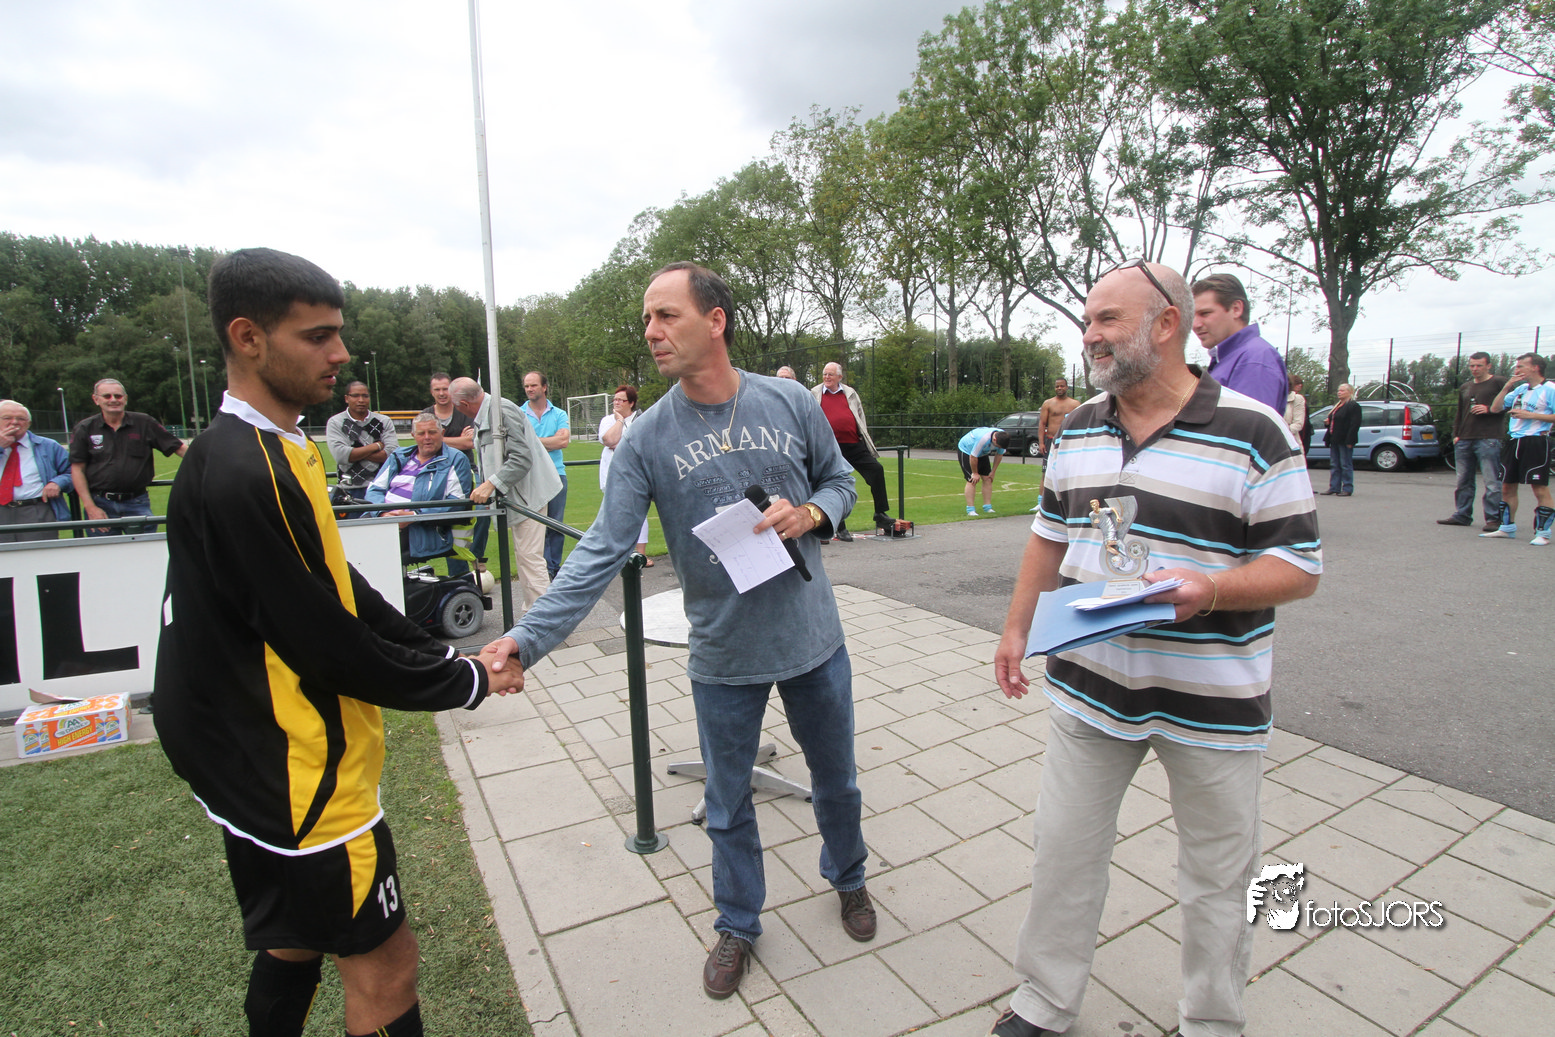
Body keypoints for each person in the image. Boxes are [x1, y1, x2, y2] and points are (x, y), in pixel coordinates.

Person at [480, 262, 874, 1001]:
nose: (651, 332)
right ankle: (738, 923)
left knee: (837, 781)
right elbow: (600, 549)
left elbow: (842, 482)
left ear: (715, 320)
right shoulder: (647, 437)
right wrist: (526, 638)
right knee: (726, 804)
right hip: (722, 652)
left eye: (666, 315)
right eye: (646, 320)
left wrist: (811, 513)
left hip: (812, 639)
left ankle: (848, 877)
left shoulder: (789, 400)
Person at [153, 248, 521, 1037]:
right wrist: (465, 681)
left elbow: (338, 585)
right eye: (317, 335)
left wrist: (435, 653)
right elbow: (328, 645)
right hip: (293, 771)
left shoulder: (271, 444)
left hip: (240, 757)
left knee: (293, 935)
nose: (341, 353)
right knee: (387, 967)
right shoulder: (245, 471)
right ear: (248, 337)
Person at [988, 259, 1321, 1037]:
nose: (1090, 335)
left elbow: (1298, 567)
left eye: (1106, 319)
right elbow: (1048, 534)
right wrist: (1014, 627)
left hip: (1212, 703)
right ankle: (1043, 1001)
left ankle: (1211, 1020)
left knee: (1217, 875)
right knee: (1062, 853)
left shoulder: (1254, 430)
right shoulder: (1078, 425)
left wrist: (1210, 588)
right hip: (1088, 686)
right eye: (1086, 321)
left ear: (1166, 324)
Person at [449, 377, 560, 612]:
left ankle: (544, 616)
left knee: (530, 557)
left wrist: (490, 484)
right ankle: (535, 611)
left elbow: (521, 458)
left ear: (464, 404)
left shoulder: (501, 411)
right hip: (520, 496)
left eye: (456, 406)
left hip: (529, 496)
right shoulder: (489, 412)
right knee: (525, 556)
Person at [68, 378, 187, 535]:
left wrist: (209, 464)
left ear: (125, 398)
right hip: (100, 504)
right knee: (105, 550)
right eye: (107, 396)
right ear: (96, 399)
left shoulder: (144, 423)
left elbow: (179, 448)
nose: (113, 400)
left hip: (137, 502)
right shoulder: (85, 428)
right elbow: (77, 469)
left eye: (118, 396)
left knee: (144, 548)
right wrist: (90, 506)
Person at [366, 411, 474, 571]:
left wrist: (413, 515)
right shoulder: (399, 456)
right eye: (421, 433)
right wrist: (382, 513)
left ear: (442, 433)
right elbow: (374, 490)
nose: (427, 437)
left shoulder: (455, 459)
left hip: (421, 529)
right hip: (383, 520)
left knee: (370, 555)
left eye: (432, 432)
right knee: (349, 544)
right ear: (413, 435)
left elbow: (456, 503)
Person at [812, 362, 893, 541]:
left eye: (830, 374)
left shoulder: (850, 393)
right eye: (825, 374)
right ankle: (839, 526)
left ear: (840, 377)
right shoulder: (814, 393)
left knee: (876, 470)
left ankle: (880, 513)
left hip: (854, 444)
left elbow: (860, 416)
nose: (826, 377)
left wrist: (863, 437)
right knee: (832, 483)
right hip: (830, 447)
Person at [1481, 352, 1555, 545]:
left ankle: (1543, 533)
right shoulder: (1521, 389)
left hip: (1536, 441)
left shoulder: (1550, 389)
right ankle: (1506, 528)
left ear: (1535, 367)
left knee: (1539, 488)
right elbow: (1496, 408)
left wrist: (1531, 416)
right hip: (1514, 441)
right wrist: (1506, 387)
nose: (1517, 370)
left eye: (1521, 366)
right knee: (1507, 486)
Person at [1192, 273, 1289, 414]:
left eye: (1205, 313)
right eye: (1192, 316)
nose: (1195, 324)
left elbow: (1248, 425)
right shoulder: (1232, 358)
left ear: (1236, 309)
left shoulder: (1254, 359)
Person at [1439, 352, 1507, 530]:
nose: (1475, 369)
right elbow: (1460, 412)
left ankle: (1493, 519)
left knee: (1491, 481)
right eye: (1472, 366)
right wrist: (1456, 434)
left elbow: (1510, 404)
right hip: (1465, 438)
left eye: (1479, 365)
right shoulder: (1466, 387)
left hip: (1489, 438)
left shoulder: (1498, 382)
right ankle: (1462, 514)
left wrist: (1489, 409)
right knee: (1463, 481)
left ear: (1488, 366)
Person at [0, 400, 72, 542]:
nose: (14, 422)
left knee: (40, 553)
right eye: (7, 418)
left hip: (35, 510)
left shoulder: (48, 446)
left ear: (29, 424)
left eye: (21, 419)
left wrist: (57, 482)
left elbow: (73, 472)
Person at [521, 370, 570, 579]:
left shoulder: (559, 414)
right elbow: (519, 445)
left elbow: (563, 441)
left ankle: (553, 570)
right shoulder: (518, 413)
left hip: (556, 474)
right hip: (529, 477)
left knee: (556, 525)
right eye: (526, 386)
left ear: (544, 387)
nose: (529, 389)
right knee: (533, 528)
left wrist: (532, 441)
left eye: (533, 385)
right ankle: (540, 571)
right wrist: (550, 441)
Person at [598, 385, 652, 565]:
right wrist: (620, 421)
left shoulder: (641, 420)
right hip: (610, 472)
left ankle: (641, 555)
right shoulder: (608, 420)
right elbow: (609, 440)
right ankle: (615, 554)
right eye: (615, 400)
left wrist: (621, 442)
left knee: (638, 511)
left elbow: (639, 444)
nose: (616, 403)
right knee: (612, 512)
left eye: (621, 400)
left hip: (634, 472)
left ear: (631, 403)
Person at [326, 381, 399, 500]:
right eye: (355, 396)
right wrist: (375, 446)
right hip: (350, 489)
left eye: (365, 396)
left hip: (381, 487)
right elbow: (340, 455)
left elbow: (392, 454)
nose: (361, 400)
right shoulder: (336, 422)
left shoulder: (383, 421)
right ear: (346, 398)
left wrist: (354, 452)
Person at [958, 426, 1009, 515]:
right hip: (967, 451)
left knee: (987, 479)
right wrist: (975, 473)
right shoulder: (983, 439)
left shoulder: (1003, 437)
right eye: (997, 446)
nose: (997, 448)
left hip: (982, 452)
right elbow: (973, 456)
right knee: (972, 480)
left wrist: (993, 472)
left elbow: (999, 455)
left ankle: (987, 507)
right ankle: (971, 510)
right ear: (994, 439)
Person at [1321, 383, 1360, 496]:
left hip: (1345, 440)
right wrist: (1328, 423)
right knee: (1334, 464)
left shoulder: (1353, 406)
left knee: (1345, 464)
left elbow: (1355, 424)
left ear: (1350, 392)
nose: (1339, 392)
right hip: (1334, 439)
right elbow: (1335, 422)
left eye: (1342, 390)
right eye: (1339, 390)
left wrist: (1350, 440)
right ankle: (1334, 487)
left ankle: (1347, 488)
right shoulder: (1338, 406)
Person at [428, 372, 475, 456]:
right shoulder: (426, 416)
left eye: (445, 389)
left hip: (463, 463)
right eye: (437, 390)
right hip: (436, 463)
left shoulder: (465, 411)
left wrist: (435, 440)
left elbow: (471, 442)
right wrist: (460, 440)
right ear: (432, 392)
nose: (441, 393)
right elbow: (424, 444)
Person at [1035, 378, 1081, 460]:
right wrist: (1041, 443)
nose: (1059, 388)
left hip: (1068, 441)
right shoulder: (1048, 403)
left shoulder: (1075, 404)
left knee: (1067, 466)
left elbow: (1080, 424)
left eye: (1062, 386)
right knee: (1048, 467)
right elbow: (1042, 423)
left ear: (1067, 387)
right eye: (1057, 386)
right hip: (1052, 440)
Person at [1285, 373, 1310, 456]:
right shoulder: (1270, 399)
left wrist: (1279, 433)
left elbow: (1298, 424)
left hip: (1290, 442)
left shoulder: (1297, 398)